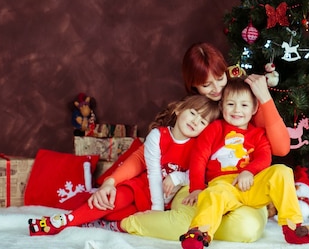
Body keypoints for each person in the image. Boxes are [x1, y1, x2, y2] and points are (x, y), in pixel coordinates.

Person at [119, 42, 291, 243]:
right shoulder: (196, 110)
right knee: (186, 222)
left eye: (219, 79)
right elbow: (151, 150)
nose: (217, 88)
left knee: (247, 229)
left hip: (244, 187)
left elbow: (281, 149)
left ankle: (201, 228)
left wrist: (265, 98)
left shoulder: (243, 101)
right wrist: (111, 182)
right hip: (199, 185)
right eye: (206, 84)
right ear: (194, 85)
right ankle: (146, 224)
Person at [27, 95, 219, 236]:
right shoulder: (158, 136)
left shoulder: (198, 146)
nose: (195, 122)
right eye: (193, 113)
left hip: (169, 197)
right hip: (143, 187)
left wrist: (177, 178)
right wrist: (157, 210)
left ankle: (101, 224)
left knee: (115, 216)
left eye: (202, 121)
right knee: (113, 201)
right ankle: (62, 221)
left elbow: (199, 174)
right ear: (179, 110)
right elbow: (152, 173)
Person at [179, 77, 309, 249]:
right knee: (212, 194)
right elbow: (199, 157)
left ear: (254, 109)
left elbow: (264, 158)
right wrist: (197, 188)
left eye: (244, 105)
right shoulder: (215, 129)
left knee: (282, 171)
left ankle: (293, 227)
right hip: (224, 186)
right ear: (222, 106)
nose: (237, 110)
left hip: (251, 186)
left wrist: (249, 171)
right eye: (231, 104)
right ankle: (199, 233)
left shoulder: (258, 134)